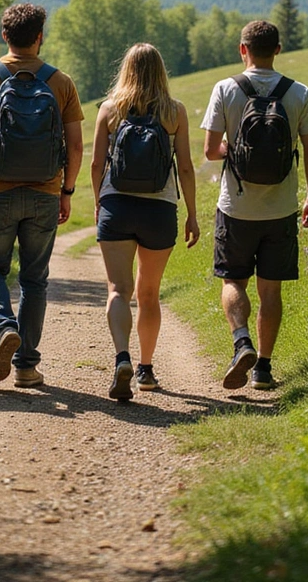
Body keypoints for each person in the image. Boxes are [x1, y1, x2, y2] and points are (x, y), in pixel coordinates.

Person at [0, 3, 84, 388]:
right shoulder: (60, 82)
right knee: (34, 280)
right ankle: (26, 366)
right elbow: (76, 147)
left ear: (5, 35)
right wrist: (67, 190)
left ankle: (3, 328)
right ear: (40, 37)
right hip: (45, 192)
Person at [201, 20, 308, 391]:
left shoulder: (226, 89)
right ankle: (264, 370)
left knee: (233, 279)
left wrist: (234, 151)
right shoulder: (298, 92)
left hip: (236, 209)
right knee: (271, 290)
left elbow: (209, 150)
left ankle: (241, 343)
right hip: (281, 209)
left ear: (243, 49)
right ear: (278, 50)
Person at [91, 43, 200, 401]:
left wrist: (98, 204)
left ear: (126, 70)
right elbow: (184, 166)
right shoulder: (175, 112)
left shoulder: (110, 109)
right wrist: (193, 215)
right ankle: (146, 370)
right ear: (161, 72)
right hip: (159, 210)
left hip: (116, 207)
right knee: (149, 294)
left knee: (118, 290)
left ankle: (121, 357)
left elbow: (95, 166)